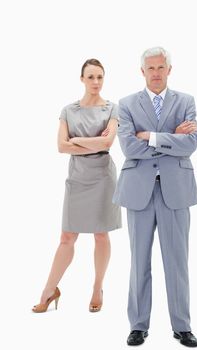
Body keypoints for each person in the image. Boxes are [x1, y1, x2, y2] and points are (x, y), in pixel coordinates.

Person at [113, 47, 197, 347]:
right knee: (139, 260)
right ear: (142, 71)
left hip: (176, 189)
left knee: (177, 261)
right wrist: (170, 138)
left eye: (161, 67)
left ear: (169, 69)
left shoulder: (186, 101)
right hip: (138, 190)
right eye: (150, 68)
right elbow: (128, 148)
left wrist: (148, 136)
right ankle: (138, 325)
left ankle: (182, 326)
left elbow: (190, 143)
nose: (155, 73)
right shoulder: (125, 105)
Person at [32, 58, 121, 313]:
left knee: (101, 234)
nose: (95, 82)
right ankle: (49, 290)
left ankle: (97, 287)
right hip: (77, 178)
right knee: (66, 237)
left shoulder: (112, 109)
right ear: (82, 78)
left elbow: (107, 144)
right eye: (91, 77)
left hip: (103, 178)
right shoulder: (68, 111)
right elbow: (61, 146)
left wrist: (78, 139)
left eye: (100, 77)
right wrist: (91, 141)